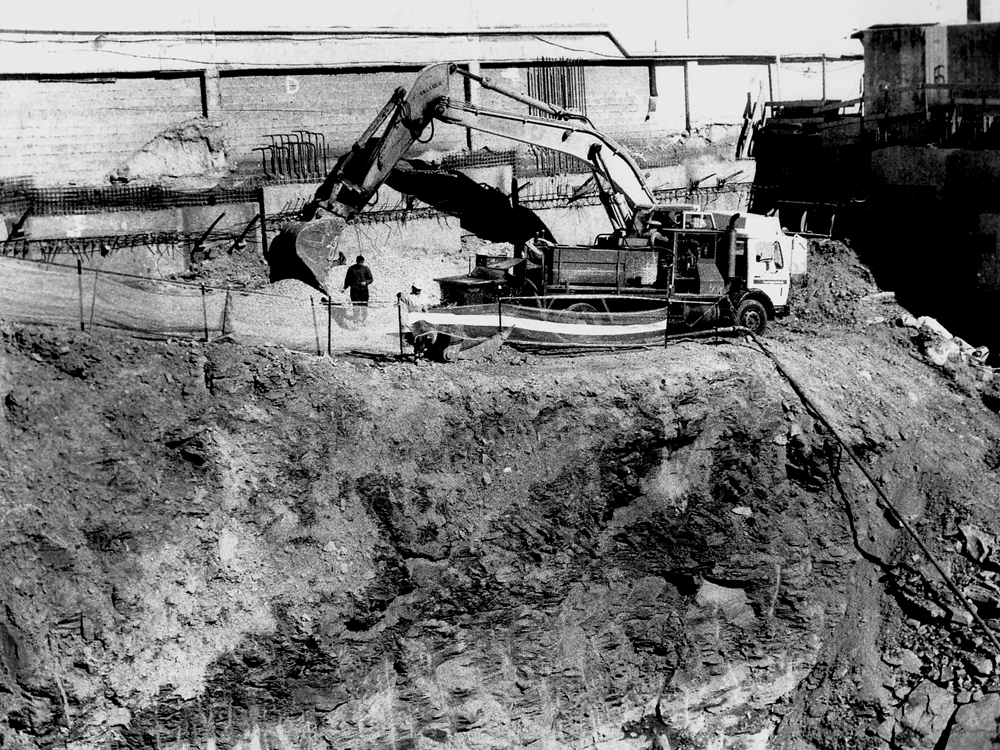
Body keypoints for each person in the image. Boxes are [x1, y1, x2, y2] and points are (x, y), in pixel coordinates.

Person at [343, 255, 373, 326]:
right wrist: (344, 288)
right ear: (356, 261)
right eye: (359, 262)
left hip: (364, 291)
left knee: (364, 306)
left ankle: (364, 320)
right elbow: (347, 279)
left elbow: (371, 279)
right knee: (356, 306)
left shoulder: (366, 269)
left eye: (362, 262)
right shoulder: (351, 269)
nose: (360, 264)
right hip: (354, 291)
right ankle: (356, 320)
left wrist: (366, 282)